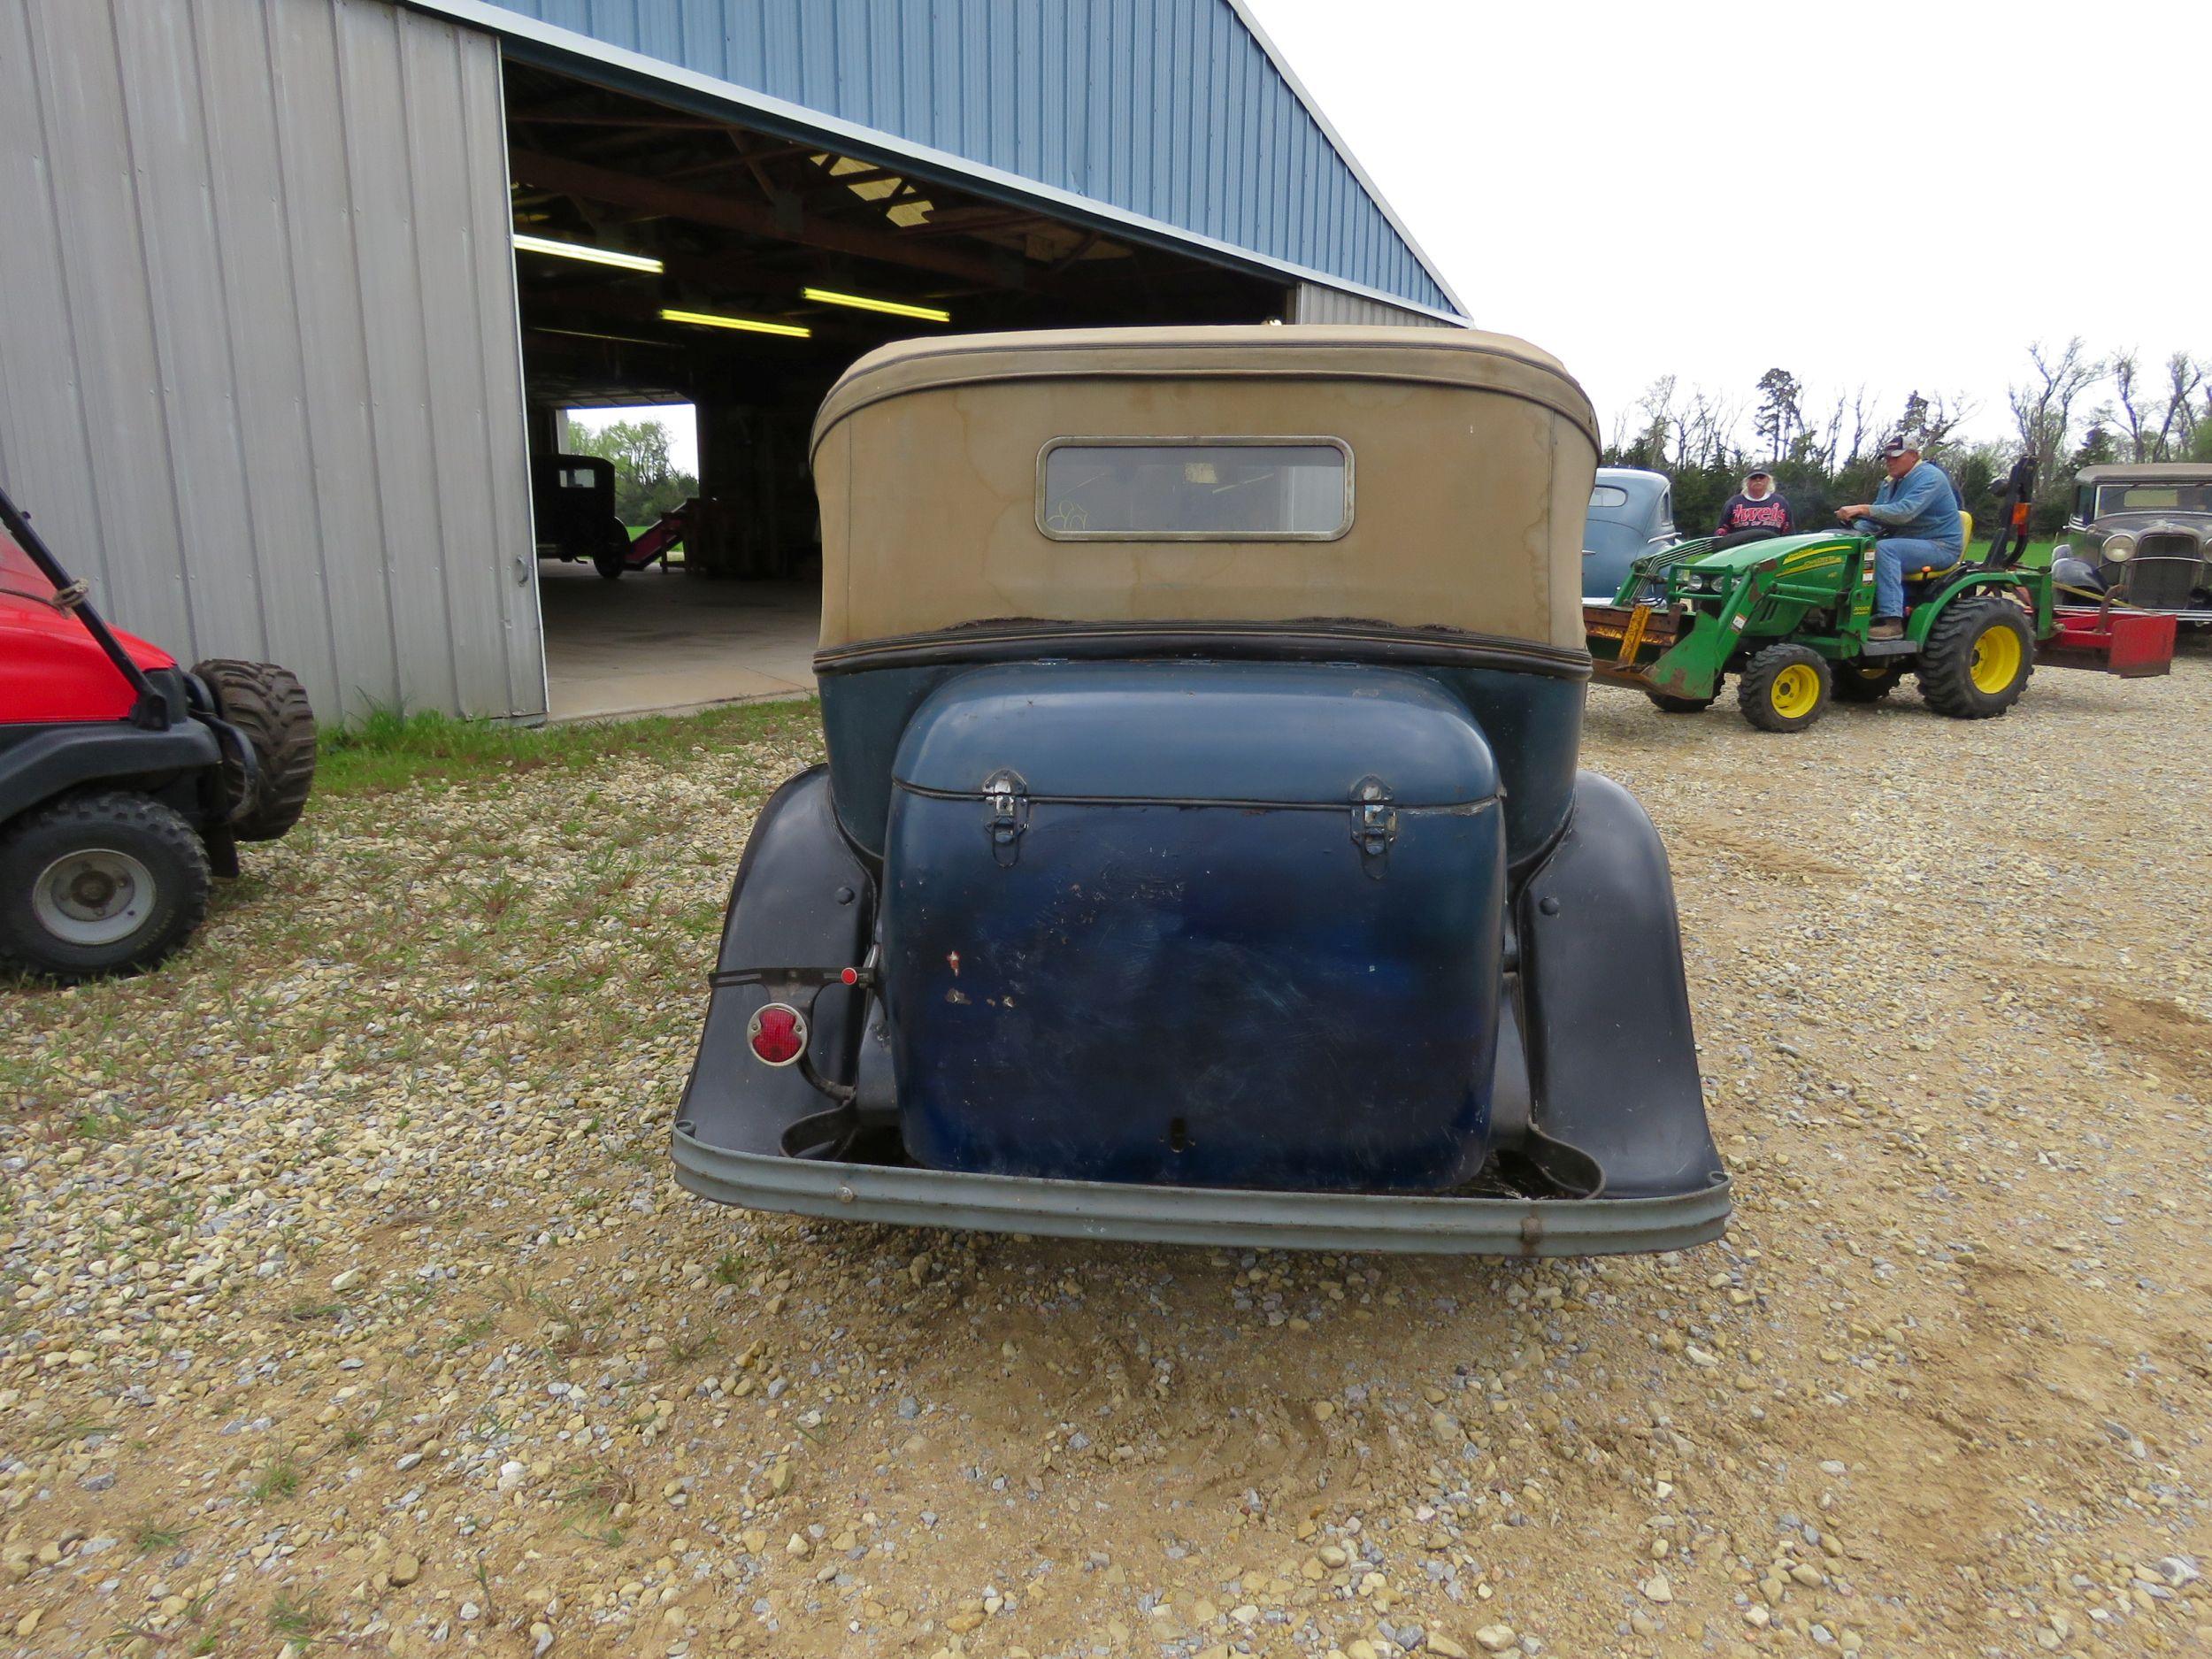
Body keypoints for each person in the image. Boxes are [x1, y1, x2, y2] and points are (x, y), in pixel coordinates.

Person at [1837, 434, 1962, 639]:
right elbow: (1877, 517)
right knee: (1837, 540)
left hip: (1939, 545)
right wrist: (1851, 531)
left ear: (1914, 455)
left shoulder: (1930, 477)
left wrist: (1862, 508)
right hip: (1908, 543)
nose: (1889, 462)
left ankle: (1892, 622)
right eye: (1887, 458)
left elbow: (1904, 512)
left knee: (1884, 549)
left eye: (1895, 457)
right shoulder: (1889, 483)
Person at [1715, 466, 1793, 538]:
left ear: (1768, 480)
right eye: (1753, 477)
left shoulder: (1781, 502)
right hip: (1742, 550)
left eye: (1761, 477)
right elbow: (1721, 533)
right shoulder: (1733, 503)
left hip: (1773, 549)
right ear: (1747, 482)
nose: (1758, 480)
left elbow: (1789, 532)